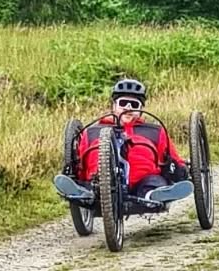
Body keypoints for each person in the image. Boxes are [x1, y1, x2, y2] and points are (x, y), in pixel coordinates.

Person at [56, 78, 192, 206]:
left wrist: (181, 171)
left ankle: (154, 195)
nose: (128, 108)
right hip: (102, 183)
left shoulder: (155, 132)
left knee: (153, 183)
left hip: (144, 181)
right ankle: (85, 194)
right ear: (114, 105)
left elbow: (172, 158)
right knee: (92, 183)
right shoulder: (92, 132)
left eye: (134, 104)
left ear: (141, 109)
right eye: (123, 103)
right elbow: (80, 164)